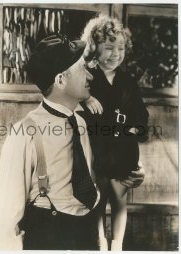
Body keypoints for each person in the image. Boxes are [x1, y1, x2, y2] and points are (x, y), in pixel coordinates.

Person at [0, 34, 101, 250]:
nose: (90, 75)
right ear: (60, 80)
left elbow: (89, 180)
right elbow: (5, 213)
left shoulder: (81, 123)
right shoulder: (25, 132)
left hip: (86, 235)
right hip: (48, 237)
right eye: (82, 68)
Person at [80, 16, 149, 251]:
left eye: (120, 48)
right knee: (98, 201)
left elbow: (141, 116)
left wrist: (134, 130)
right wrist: (85, 98)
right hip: (96, 151)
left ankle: (117, 246)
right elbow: (71, 102)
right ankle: (100, 243)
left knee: (119, 201)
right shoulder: (85, 77)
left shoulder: (128, 81)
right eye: (109, 48)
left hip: (122, 151)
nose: (115, 54)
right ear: (94, 48)